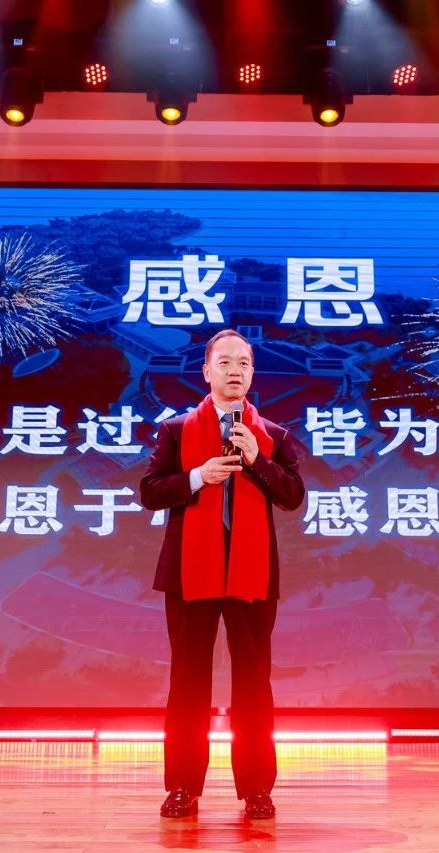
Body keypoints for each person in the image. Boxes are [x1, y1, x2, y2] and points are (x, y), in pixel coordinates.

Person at [139, 329, 306, 820]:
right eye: (226, 362)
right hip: (189, 573)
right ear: (207, 371)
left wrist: (257, 460)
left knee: (254, 682)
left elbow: (293, 496)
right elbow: (150, 490)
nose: (236, 370)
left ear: (252, 373)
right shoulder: (175, 430)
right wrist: (198, 477)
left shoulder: (272, 435)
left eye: (245, 363)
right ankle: (182, 787)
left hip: (252, 573)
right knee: (188, 681)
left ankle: (257, 789)